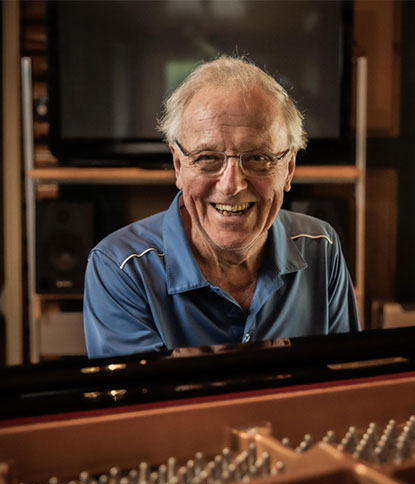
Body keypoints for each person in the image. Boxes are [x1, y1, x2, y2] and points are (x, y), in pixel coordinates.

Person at [83, 56, 359, 358]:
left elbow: (345, 379)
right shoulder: (120, 268)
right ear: (178, 165)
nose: (231, 185)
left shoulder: (321, 247)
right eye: (207, 158)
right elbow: (139, 403)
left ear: (289, 168)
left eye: (258, 157)